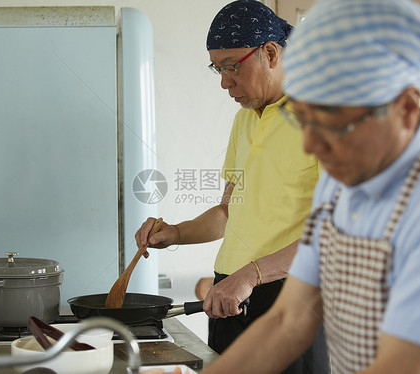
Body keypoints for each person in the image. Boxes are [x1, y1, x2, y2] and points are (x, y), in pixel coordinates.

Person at [200, 0, 420, 373]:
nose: (312, 146)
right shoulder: (346, 185)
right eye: (307, 122)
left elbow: (408, 359)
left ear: (405, 108)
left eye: (334, 126)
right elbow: (287, 323)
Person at [135, 0, 329, 372]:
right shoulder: (245, 120)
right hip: (227, 294)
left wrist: (250, 276)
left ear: (270, 53)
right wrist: (175, 233)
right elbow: (228, 211)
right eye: (217, 69)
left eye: (231, 67)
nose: (224, 82)